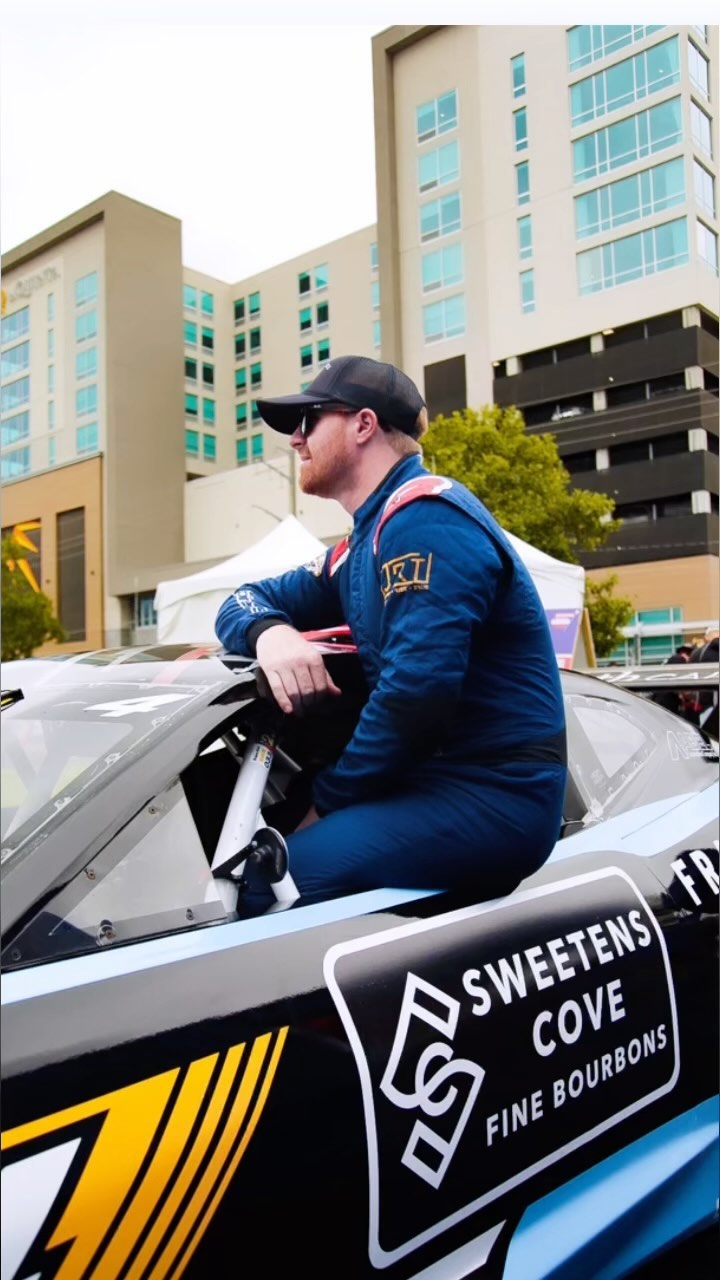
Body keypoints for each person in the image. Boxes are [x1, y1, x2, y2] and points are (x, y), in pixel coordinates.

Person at [215, 355, 567, 904]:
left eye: (309, 421)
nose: (295, 441)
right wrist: (270, 633)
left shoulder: (426, 519)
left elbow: (415, 695)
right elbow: (241, 601)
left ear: (363, 424)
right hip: (428, 782)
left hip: (496, 794)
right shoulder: (365, 542)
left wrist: (324, 803)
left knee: (256, 887)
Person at [652, 643, 694, 717]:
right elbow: (679, 679)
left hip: (665, 697)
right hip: (667, 699)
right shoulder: (679, 659)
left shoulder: (675, 658)